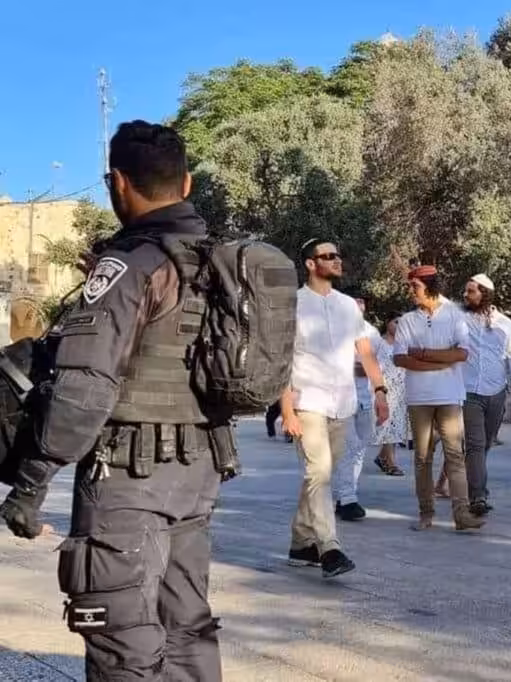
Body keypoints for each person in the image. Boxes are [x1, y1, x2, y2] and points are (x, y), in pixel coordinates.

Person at [0, 120, 238, 679]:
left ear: (117, 183)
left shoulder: (128, 266)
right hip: (197, 473)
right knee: (187, 630)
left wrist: (31, 486)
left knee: (120, 637)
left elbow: (83, 388)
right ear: (188, 185)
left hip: (128, 480)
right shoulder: (215, 263)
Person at [280, 238, 388, 576]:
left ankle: (300, 542)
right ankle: (330, 548)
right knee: (319, 473)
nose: (337, 261)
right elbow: (280, 360)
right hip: (306, 402)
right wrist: (286, 410)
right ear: (311, 264)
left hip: (343, 404)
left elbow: (365, 351)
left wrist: (380, 390)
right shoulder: (292, 304)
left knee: (319, 476)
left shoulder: (347, 306)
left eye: (338, 255)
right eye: (328, 256)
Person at [393, 265, 485, 532]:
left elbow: (461, 354)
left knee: (455, 454)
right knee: (422, 457)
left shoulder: (455, 316)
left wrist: (420, 353)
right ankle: (426, 512)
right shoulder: (408, 320)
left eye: (415, 287)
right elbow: (400, 357)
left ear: (430, 286)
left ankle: (461, 514)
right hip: (419, 397)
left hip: (449, 395)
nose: (411, 292)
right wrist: (438, 361)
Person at [461, 274, 511, 516]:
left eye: (471, 291)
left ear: (485, 294)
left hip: (496, 392)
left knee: (485, 443)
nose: (466, 296)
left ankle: (470, 480)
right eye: (466, 291)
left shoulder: (506, 324)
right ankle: (477, 495)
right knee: (476, 444)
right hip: (468, 392)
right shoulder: (459, 320)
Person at [334, 291, 383, 522]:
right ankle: (347, 498)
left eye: (362, 301)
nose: (359, 305)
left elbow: (377, 367)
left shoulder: (371, 332)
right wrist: (362, 365)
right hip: (340, 398)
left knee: (359, 449)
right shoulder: (333, 329)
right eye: (355, 301)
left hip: (365, 398)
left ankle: (345, 496)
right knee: (349, 447)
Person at [371, 312, 408, 476]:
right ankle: (391, 463)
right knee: (387, 426)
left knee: (396, 427)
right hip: (384, 389)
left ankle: (382, 457)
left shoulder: (404, 344)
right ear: (387, 322)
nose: (399, 326)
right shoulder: (379, 343)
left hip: (401, 389)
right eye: (396, 322)